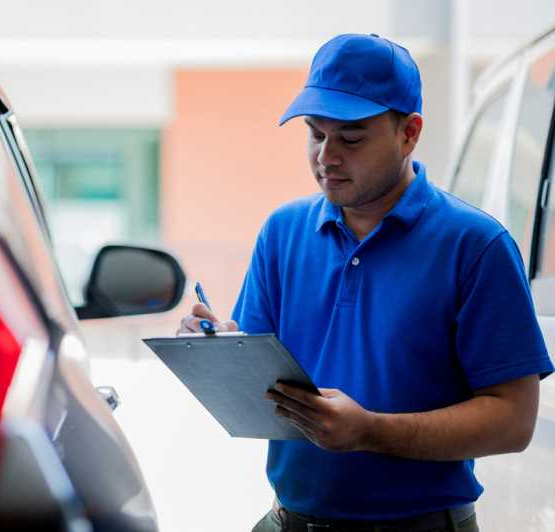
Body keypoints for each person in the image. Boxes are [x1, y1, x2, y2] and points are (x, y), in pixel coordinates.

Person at [177, 33, 554, 532]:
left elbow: (513, 421)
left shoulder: (476, 246)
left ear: (409, 132)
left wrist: (372, 432)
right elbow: (264, 383)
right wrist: (220, 350)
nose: (326, 157)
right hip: (289, 521)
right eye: (315, 134)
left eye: (351, 138)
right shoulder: (282, 232)